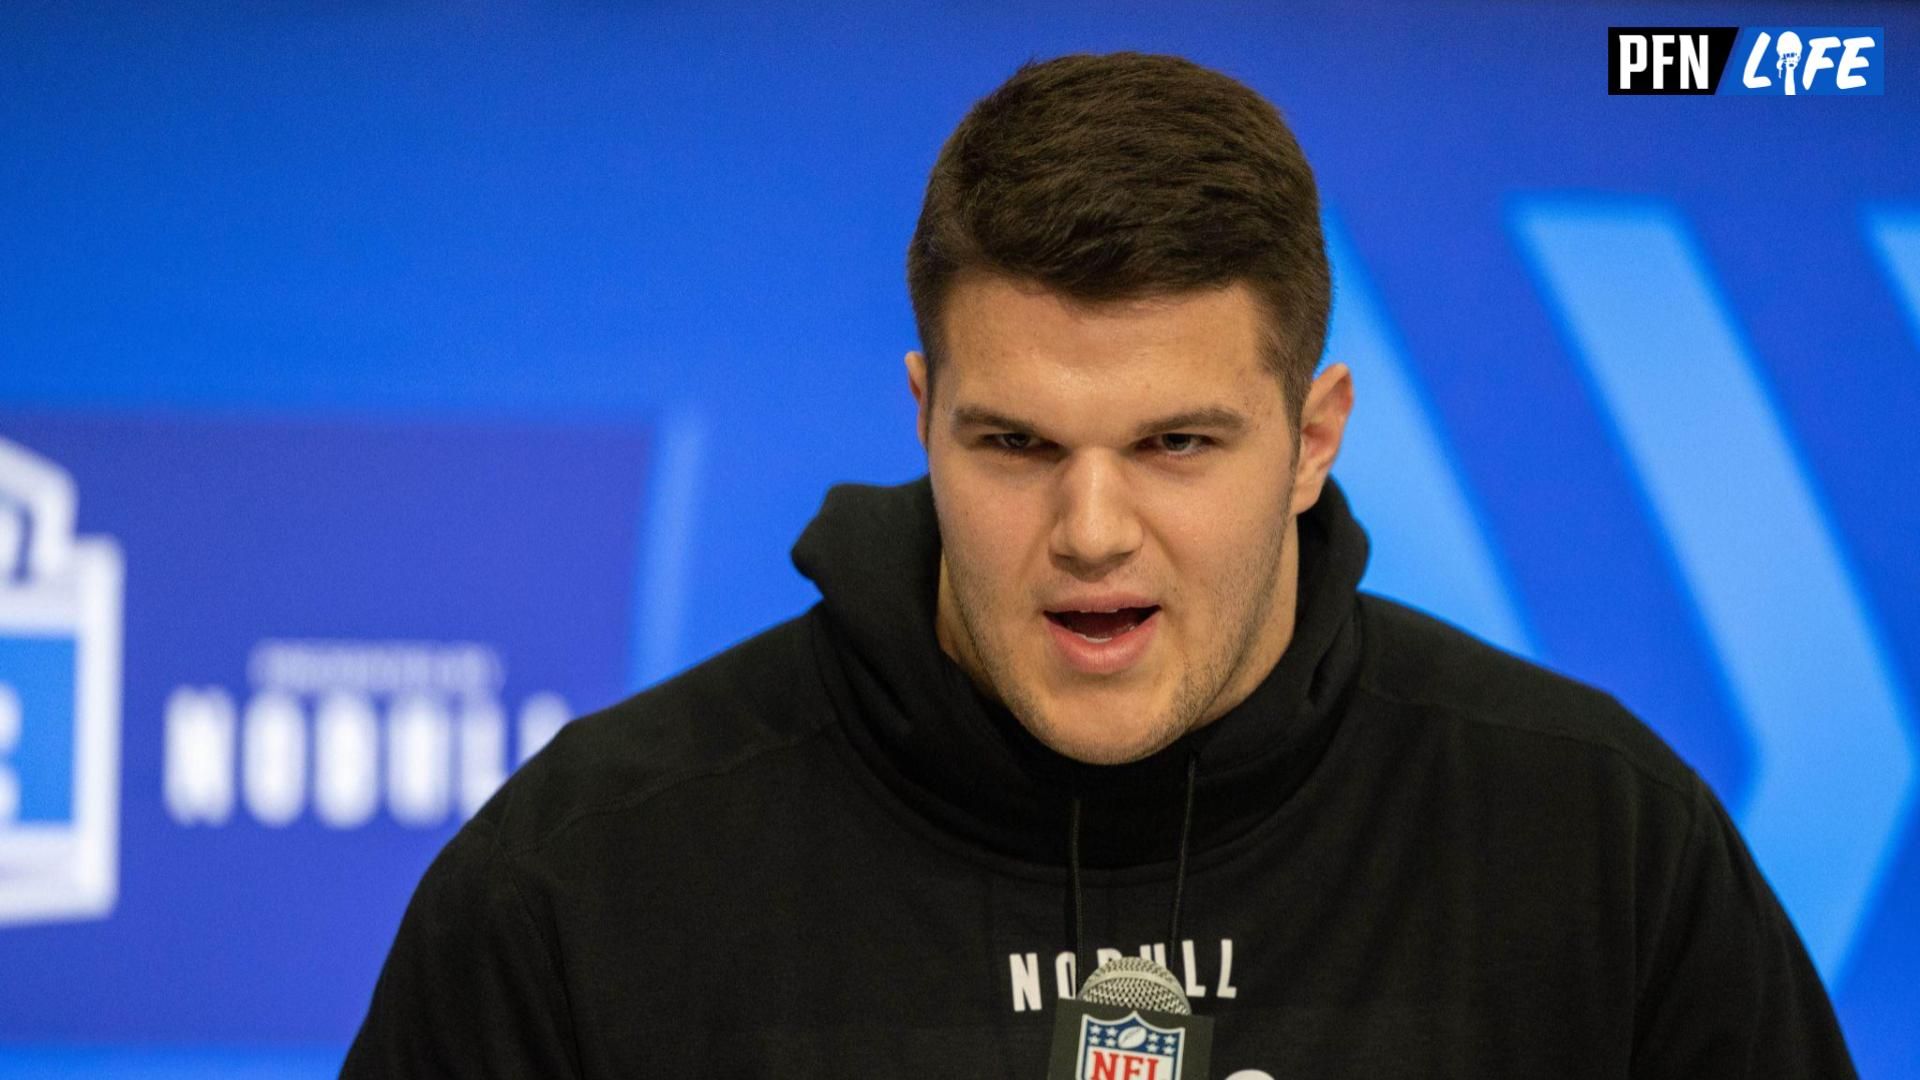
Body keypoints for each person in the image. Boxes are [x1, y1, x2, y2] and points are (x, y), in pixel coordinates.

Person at [343, 52, 1856, 1078]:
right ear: (925, 415)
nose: (1088, 532)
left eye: (1177, 446)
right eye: (1013, 446)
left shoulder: (1601, 843)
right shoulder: (591, 877)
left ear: (1314, 433)